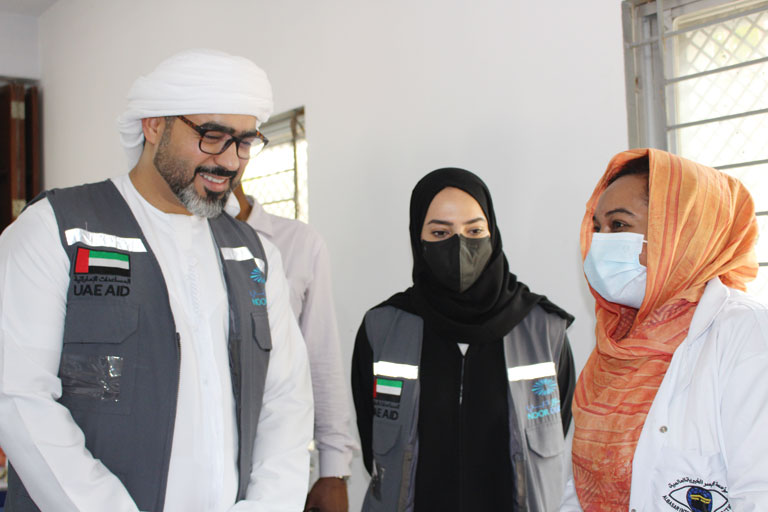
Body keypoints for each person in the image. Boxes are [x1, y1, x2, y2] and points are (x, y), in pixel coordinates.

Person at [0, 49, 313, 512]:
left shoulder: (255, 253)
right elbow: (19, 397)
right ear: (153, 126)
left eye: (245, 142)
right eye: (212, 137)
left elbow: (286, 403)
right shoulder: (55, 228)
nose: (230, 161)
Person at [561, 148, 768, 511]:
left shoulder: (748, 331)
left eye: (618, 225)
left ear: (682, 232)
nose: (600, 242)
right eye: (597, 228)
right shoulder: (616, 341)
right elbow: (578, 488)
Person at [352, 167, 575, 512]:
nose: (459, 245)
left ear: (492, 233)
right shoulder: (382, 328)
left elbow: (554, 434)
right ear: (417, 238)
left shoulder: (543, 329)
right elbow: (375, 447)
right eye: (440, 232)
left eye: (474, 230)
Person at [234, 184, 358, 512]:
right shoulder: (183, 242)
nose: (227, 159)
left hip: (278, 461)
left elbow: (320, 356)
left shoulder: (298, 242)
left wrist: (334, 469)